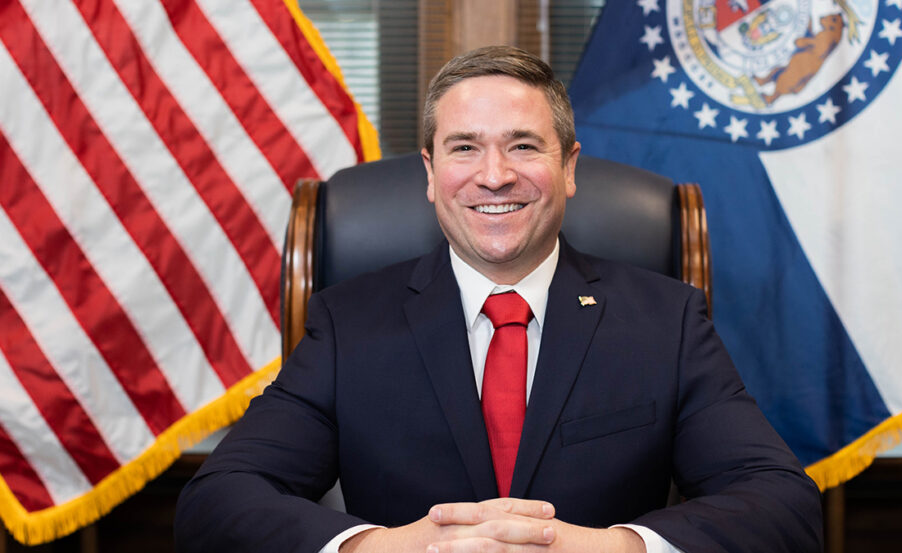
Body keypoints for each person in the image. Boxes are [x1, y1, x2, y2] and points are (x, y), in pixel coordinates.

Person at [174, 45, 822, 553]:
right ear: (430, 174)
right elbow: (217, 503)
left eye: (522, 145)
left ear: (569, 167)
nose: (494, 174)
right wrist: (382, 543)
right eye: (465, 148)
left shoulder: (667, 320)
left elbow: (782, 506)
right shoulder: (348, 324)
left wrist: (612, 544)